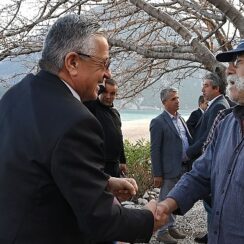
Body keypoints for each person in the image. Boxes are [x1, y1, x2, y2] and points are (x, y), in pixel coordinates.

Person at [0, 14, 169, 244]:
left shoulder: (15, 95)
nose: (108, 74)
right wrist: (149, 219)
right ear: (72, 63)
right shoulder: (76, 120)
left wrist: (104, 181)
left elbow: (37, 168)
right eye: (104, 63)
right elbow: (100, 220)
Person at [157, 40, 244, 244]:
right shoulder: (225, 124)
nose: (228, 70)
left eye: (238, 62)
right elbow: (201, 173)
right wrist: (167, 204)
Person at [150, 87, 192, 244]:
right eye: (173, 99)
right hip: (168, 171)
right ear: (164, 102)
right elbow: (155, 150)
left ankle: (171, 226)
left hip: (183, 167)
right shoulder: (158, 122)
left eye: (178, 98)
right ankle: (161, 232)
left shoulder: (180, 118)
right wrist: (157, 174)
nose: (178, 101)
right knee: (165, 199)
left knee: (176, 198)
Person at [85, 78, 127, 177]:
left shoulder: (115, 113)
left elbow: (119, 137)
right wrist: (101, 84)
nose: (108, 96)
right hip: (99, 164)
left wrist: (123, 160)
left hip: (115, 165)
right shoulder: (92, 107)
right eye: (105, 92)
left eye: (112, 93)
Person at [186, 72, 229, 161]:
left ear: (216, 88)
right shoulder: (216, 104)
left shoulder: (219, 105)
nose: (202, 90)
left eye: (206, 86)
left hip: (203, 159)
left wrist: (189, 153)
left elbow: (209, 136)